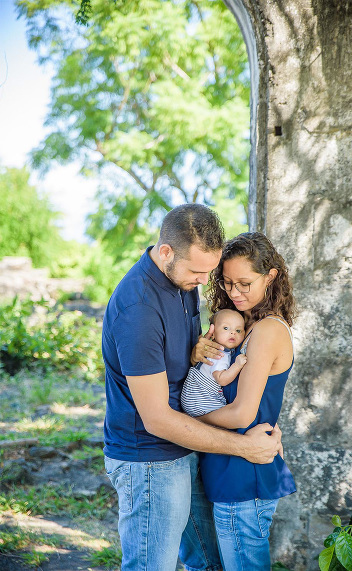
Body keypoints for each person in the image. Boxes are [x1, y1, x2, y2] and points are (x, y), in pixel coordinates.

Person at [102, 204, 282, 571]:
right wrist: (245, 446)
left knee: (212, 562)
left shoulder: (182, 284)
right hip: (149, 461)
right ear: (166, 252)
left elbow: (172, 365)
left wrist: (195, 351)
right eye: (198, 271)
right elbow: (157, 419)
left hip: (187, 448)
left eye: (209, 272)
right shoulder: (138, 307)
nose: (204, 281)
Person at [195, 232, 297, 571]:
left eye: (244, 283)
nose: (234, 292)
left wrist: (185, 419)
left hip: (243, 473)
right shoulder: (242, 326)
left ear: (271, 277)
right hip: (229, 466)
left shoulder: (267, 330)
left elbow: (243, 413)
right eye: (226, 283)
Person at [181, 309, 248, 417]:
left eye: (238, 331)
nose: (233, 332)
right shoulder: (220, 354)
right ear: (212, 332)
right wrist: (237, 366)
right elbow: (221, 379)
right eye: (226, 328)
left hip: (193, 398)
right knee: (230, 417)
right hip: (202, 401)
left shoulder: (210, 348)